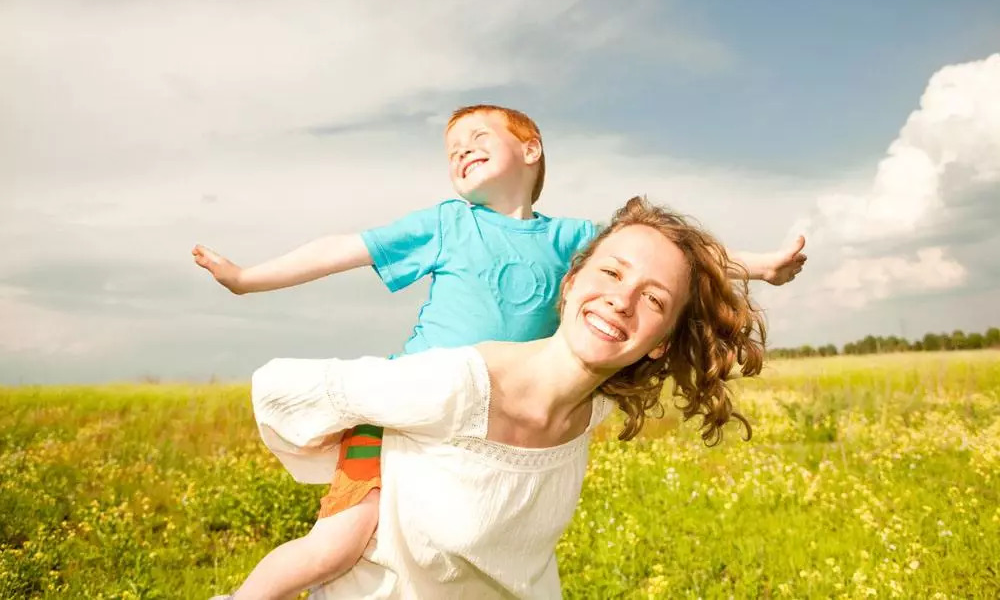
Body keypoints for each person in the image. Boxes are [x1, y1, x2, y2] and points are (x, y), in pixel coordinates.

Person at [194, 106, 803, 598]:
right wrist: (249, 279)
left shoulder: (571, 240)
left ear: (531, 148)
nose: (459, 151)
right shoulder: (448, 223)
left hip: (499, 422)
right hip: (401, 408)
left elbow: (677, 260)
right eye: (451, 149)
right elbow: (343, 248)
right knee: (336, 546)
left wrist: (763, 267)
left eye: (477, 137)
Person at [249, 196, 766, 599]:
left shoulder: (592, 410)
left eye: (654, 298)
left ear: (660, 345)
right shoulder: (455, 382)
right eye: (611, 272)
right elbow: (283, 389)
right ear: (569, 283)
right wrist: (370, 455)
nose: (622, 299)